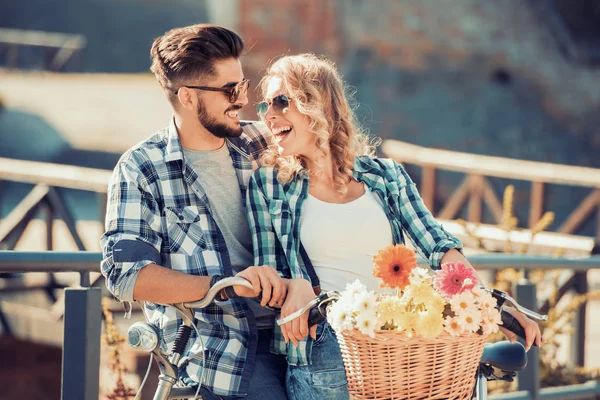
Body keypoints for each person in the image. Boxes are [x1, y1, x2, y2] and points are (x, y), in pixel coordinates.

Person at [246, 53, 543, 399]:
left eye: (282, 101)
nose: (269, 114)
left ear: (318, 102)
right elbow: (269, 276)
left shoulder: (386, 176)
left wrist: (494, 306)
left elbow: (439, 246)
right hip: (325, 358)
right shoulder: (268, 186)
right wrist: (292, 283)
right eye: (265, 105)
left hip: (400, 354)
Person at [100, 24, 290, 400]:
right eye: (228, 90)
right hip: (220, 348)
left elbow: (337, 162)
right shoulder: (141, 167)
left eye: (242, 85)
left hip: (299, 326)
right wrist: (223, 287)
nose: (241, 99)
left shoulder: (263, 143)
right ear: (187, 97)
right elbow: (125, 275)